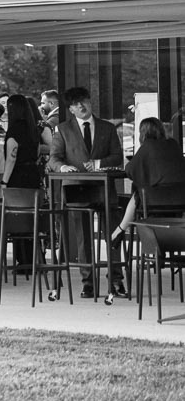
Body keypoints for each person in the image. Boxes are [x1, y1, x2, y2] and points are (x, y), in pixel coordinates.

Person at [49, 85, 125, 299]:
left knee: (112, 235)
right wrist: (63, 168)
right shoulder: (63, 129)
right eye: (75, 104)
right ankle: (88, 282)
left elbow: (117, 156)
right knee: (83, 238)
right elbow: (54, 158)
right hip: (77, 190)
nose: (80, 106)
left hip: (103, 189)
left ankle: (116, 280)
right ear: (70, 109)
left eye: (83, 101)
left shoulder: (107, 128)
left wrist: (99, 163)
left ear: (91, 102)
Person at [112, 117, 185, 241]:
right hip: (180, 200)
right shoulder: (173, 144)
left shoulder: (148, 146)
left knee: (138, 192)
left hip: (155, 201)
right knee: (140, 191)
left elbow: (130, 170)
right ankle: (120, 230)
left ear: (143, 132)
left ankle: (121, 229)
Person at [0, 94, 42, 191]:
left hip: (17, 177)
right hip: (33, 174)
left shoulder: (14, 131)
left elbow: (11, 159)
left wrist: (4, 181)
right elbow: (38, 151)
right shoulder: (33, 129)